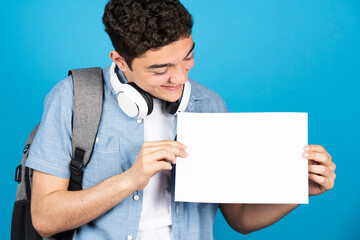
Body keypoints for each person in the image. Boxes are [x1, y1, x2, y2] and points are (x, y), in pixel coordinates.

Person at [26, 0, 336, 239]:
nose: (180, 78)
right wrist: (129, 180)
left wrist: (298, 188)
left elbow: (240, 218)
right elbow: (44, 219)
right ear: (120, 61)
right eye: (160, 70)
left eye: (187, 57)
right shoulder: (73, 97)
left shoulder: (209, 104)